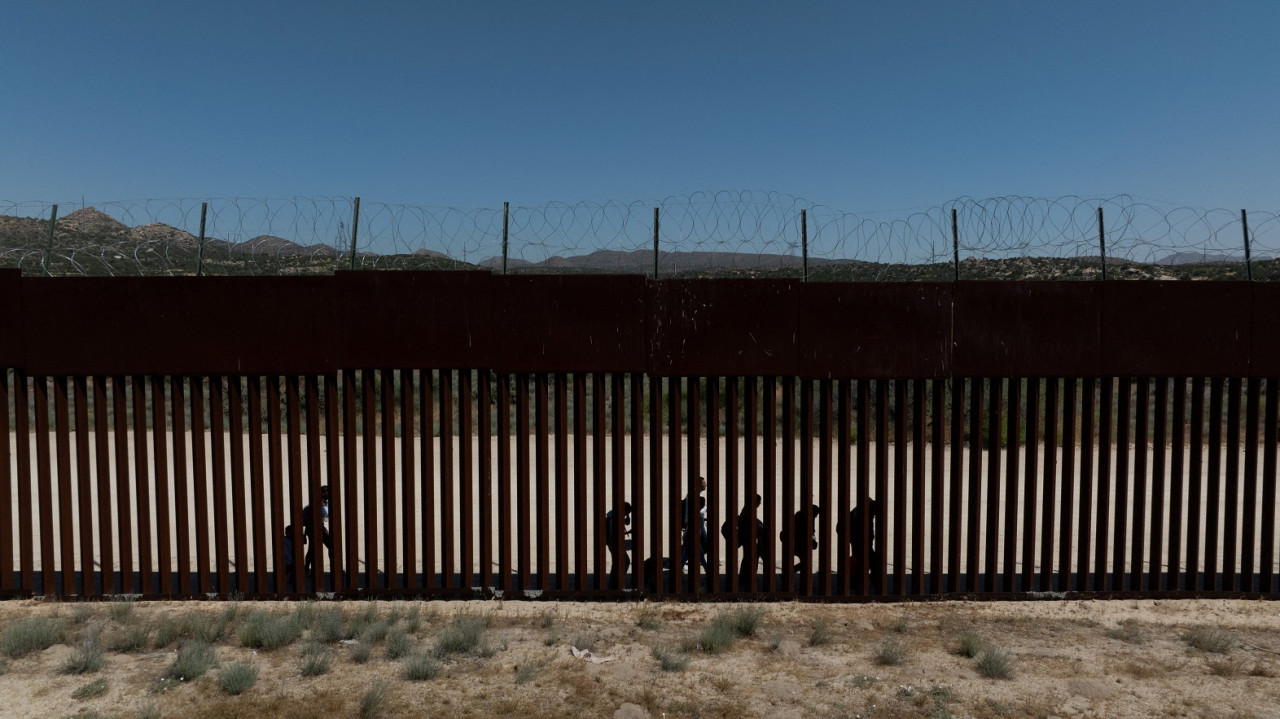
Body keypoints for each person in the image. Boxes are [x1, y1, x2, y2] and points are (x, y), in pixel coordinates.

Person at [722, 493, 765, 591]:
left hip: (747, 538)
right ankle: (749, 578)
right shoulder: (748, 511)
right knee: (753, 558)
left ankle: (743, 578)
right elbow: (751, 523)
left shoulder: (746, 510)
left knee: (747, 558)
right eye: (759, 501)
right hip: (750, 539)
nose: (760, 503)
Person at [837, 498, 881, 588]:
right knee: (868, 560)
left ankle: (858, 581)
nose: (875, 514)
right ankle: (862, 582)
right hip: (861, 542)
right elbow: (863, 531)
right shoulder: (862, 515)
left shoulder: (857, 513)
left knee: (862, 560)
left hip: (858, 542)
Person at [779, 504, 821, 575]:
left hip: (795, 541)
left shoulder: (803, 516)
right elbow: (806, 532)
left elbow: (810, 532)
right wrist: (812, 541)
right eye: (816, 514)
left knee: (805, 562)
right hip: (797, 542)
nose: (816, 516)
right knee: (805, 562)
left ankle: (789, 574)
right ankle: (788, 574)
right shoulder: (804, 518)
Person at [301, 485, 332, 577]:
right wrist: (305, 534)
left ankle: (335, 568)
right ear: (322, 493)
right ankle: (305, 569)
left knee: (331, 547)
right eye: (327, 492)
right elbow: (306, 520)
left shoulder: (327, 504)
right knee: (312, 550)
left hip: (321, 528)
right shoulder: (314, 505)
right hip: (313, 530)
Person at [681, 476, 708, 571]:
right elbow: (694, 511)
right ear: (699, 484)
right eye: (704, 483)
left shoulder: (696, 495)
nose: (706, 484)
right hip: (693, 525)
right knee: (698, 543)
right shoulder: (693, 496)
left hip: (698, 524)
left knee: (702, 542)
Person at [604, 501, 633, 587]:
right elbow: (614, 534)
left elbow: (627, 522)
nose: (627, 514)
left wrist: (627, 516)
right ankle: (615, 582)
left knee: (618, 563)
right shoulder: (614, 518)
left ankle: (613, 582)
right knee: (625, 561)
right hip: (614, 544)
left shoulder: (615, 515)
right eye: (627, 512)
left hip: (614, 543)